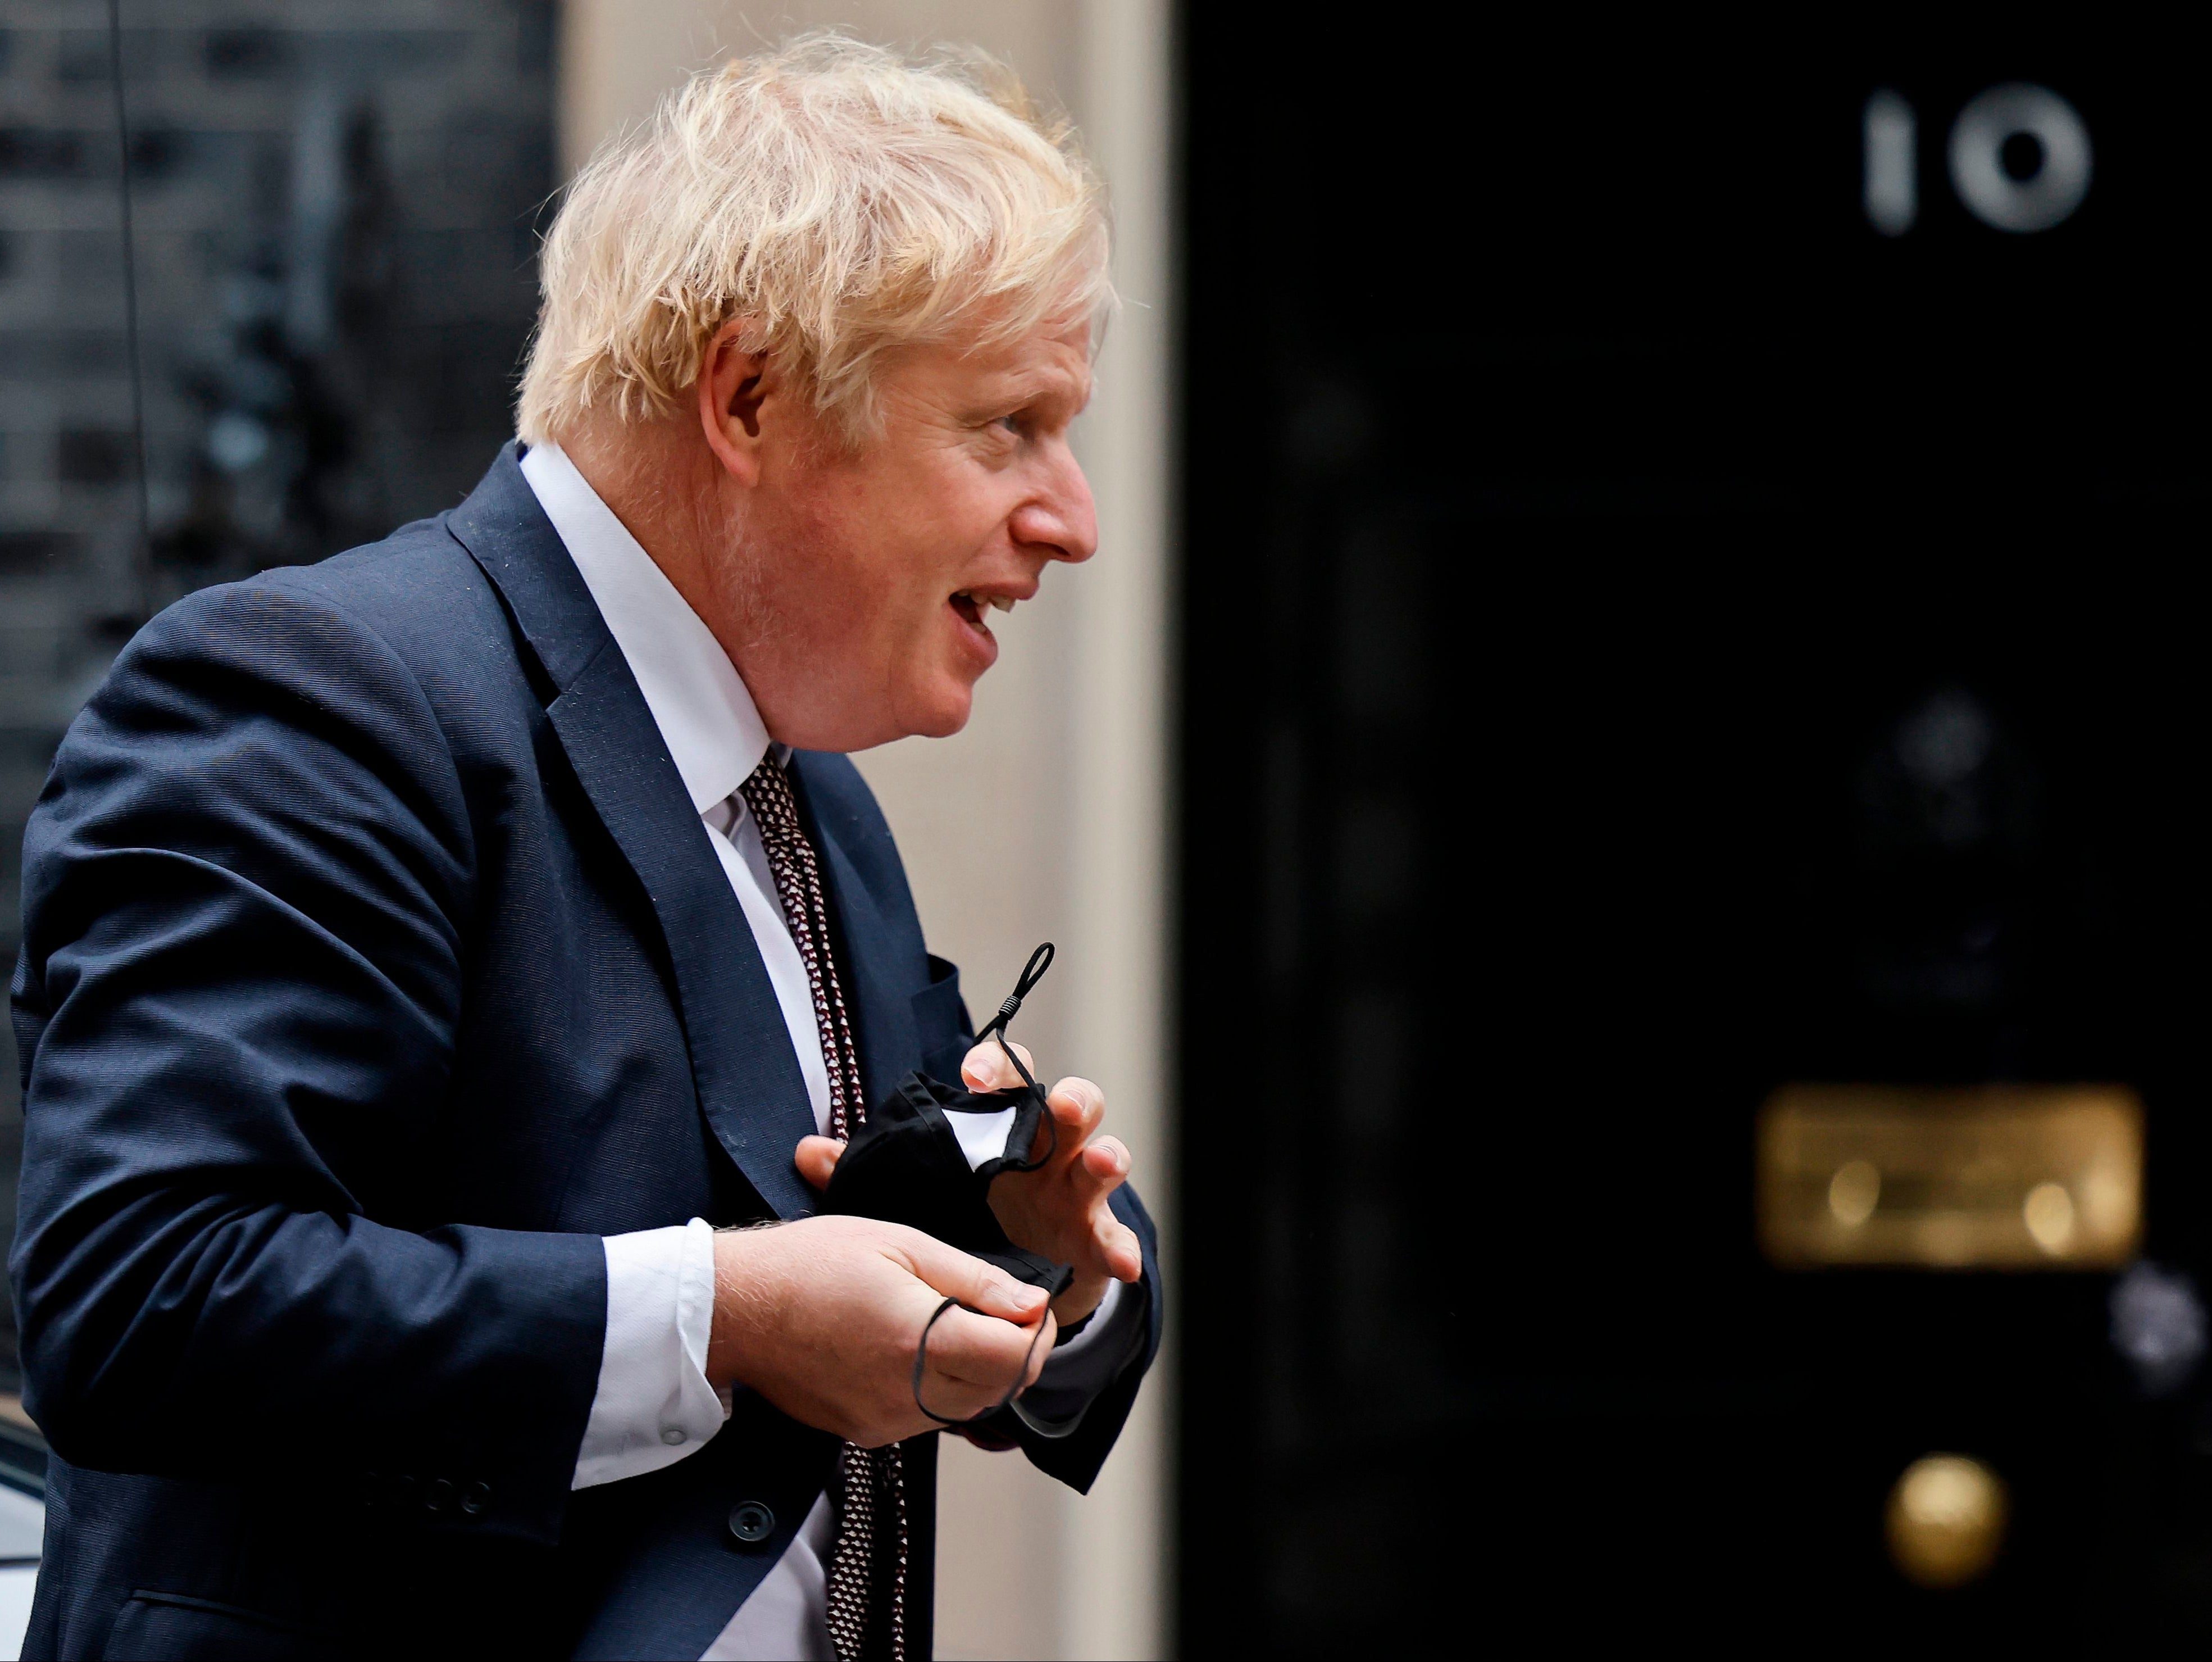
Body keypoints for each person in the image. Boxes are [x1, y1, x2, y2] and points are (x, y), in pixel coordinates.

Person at [7, 35, 1159, 1662]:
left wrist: (1045, 1257)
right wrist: (730, 1320)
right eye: (1006, 426)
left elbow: (908, 1235)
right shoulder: (315, 691)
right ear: (749, 396)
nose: (1075, 516)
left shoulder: (807, 786)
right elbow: (146, 1292)